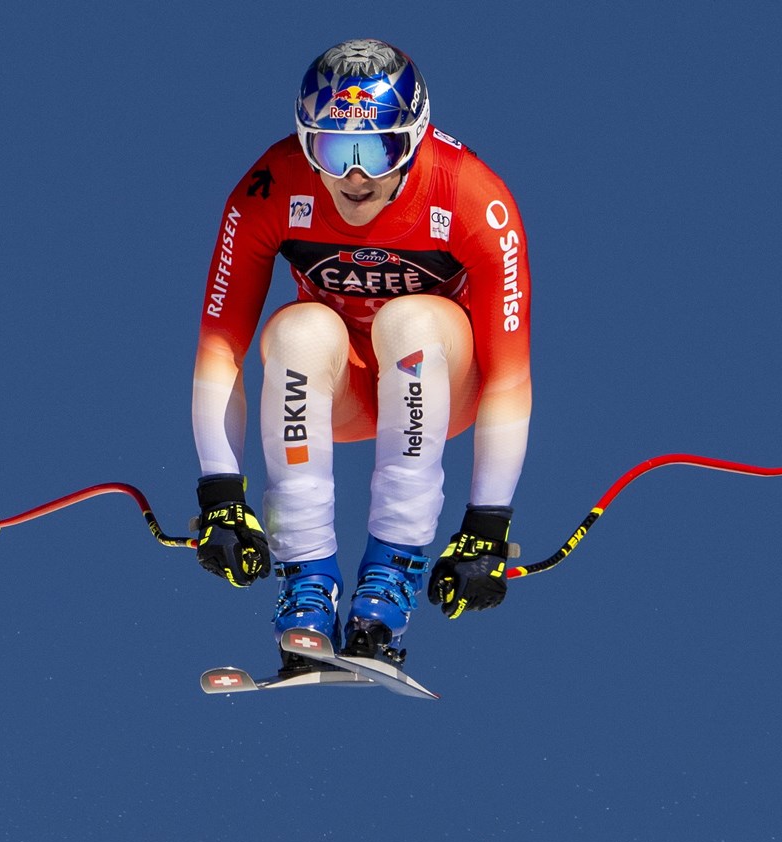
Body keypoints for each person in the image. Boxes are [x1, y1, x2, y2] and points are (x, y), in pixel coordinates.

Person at [190, 38, 532, 673]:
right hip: (339, 388)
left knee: (412, 320)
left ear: (414, 141)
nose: (354, 176)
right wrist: (219, 491)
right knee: (296, 330)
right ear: (303, 142)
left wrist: (487, 522)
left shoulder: (470, 196)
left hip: (438, 384)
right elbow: (220, 349)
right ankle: (307, 587)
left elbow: (510, 375)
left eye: (376, 151)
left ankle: (389, 582)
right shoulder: (270, 187)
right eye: (331, 149)